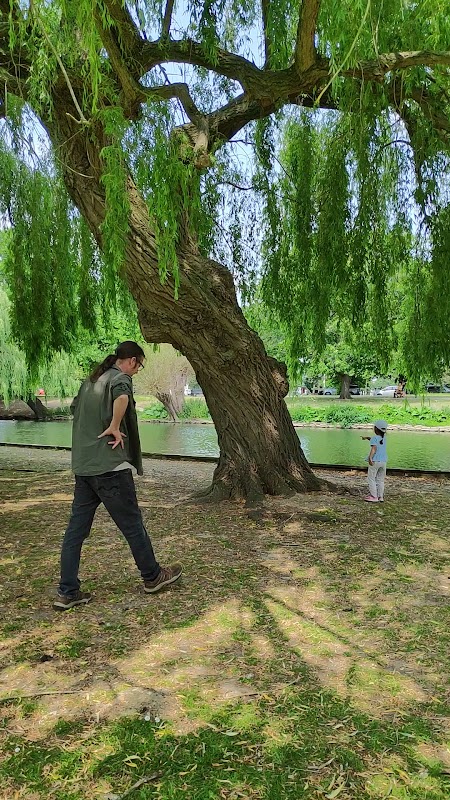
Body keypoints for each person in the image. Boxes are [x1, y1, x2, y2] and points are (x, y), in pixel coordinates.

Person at [53, 341, 182, 610]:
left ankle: (67, 592)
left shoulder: (91, 381)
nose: (137, 371)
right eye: (139, 365)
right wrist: (114, 425)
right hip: (110, 468)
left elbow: (75, 410)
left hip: (84, 468)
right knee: (132, 525)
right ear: (132, 360)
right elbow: (122, 397)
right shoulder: (120, 378)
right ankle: (153, 577)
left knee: (75, 532)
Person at [361, 419, 388, 503]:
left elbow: (374, 448)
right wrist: (368, 438)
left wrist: (370, 458)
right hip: (383, 462)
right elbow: (377, 442)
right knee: (380, 480)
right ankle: (380, 497)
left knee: (371, 478)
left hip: (375, 461)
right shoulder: (384, 438)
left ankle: (374, 496)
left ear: (376, 429)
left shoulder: (375, 438)